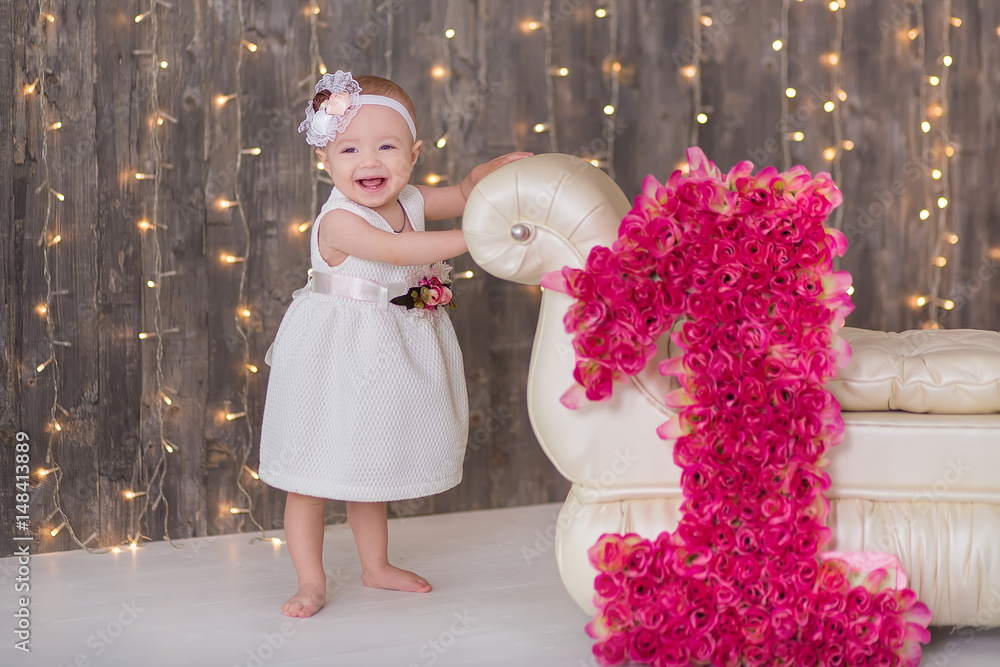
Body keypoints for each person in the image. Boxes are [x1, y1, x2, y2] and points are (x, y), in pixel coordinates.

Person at [258, 70, 530, 618]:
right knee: (310, 475)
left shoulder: (409, 198)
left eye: (387, 146)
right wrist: (485, 235)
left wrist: (478, 183)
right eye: (350, 148)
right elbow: (401, 253)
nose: (369, 161)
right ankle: (311, 581)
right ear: (326, 160)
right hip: (335, 355)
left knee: (368, 464)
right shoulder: (338, 219)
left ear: (413, 154)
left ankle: (375, 566)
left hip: (385, 347)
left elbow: (455, 196)